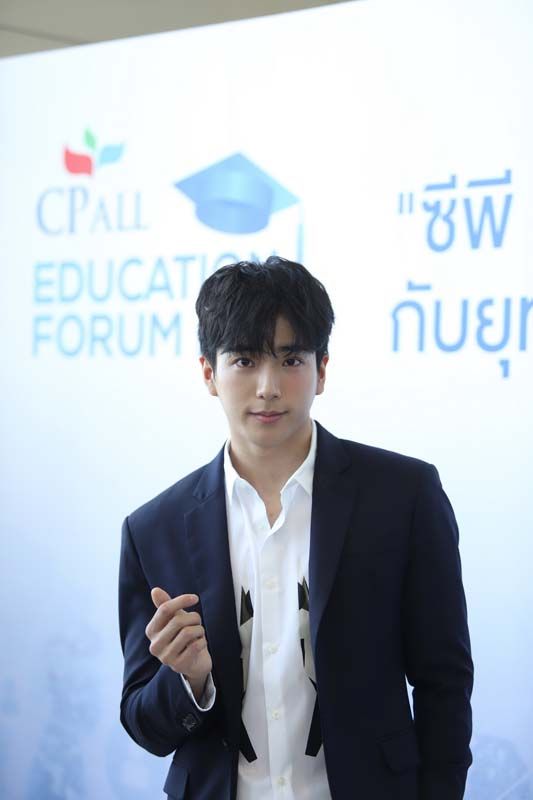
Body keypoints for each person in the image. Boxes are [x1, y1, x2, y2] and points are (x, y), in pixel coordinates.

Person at [118, 256, 474, 800]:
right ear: (209, 373)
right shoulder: (153, 529)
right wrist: (188, 679)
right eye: (244, 360)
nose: (268, 387)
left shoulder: (403, 496)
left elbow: (444, 683)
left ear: (321, 370)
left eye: (290, 360)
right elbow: (144, 724)